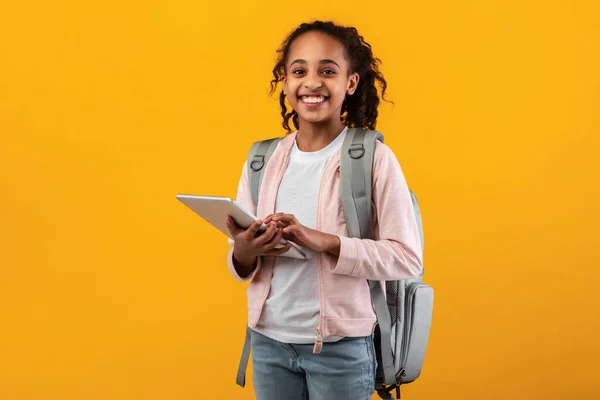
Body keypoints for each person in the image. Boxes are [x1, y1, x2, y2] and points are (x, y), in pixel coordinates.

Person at [224, 20, 423, 400]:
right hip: (267, 342)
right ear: (284, 81)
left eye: (327, 71)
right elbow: (242, 262)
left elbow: (406, 258)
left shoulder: (373, 158)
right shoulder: (261, 160)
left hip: (342, 349)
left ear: (350, 83)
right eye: (299, 70)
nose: (312, 83)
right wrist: (246, 249)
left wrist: (327, 242)